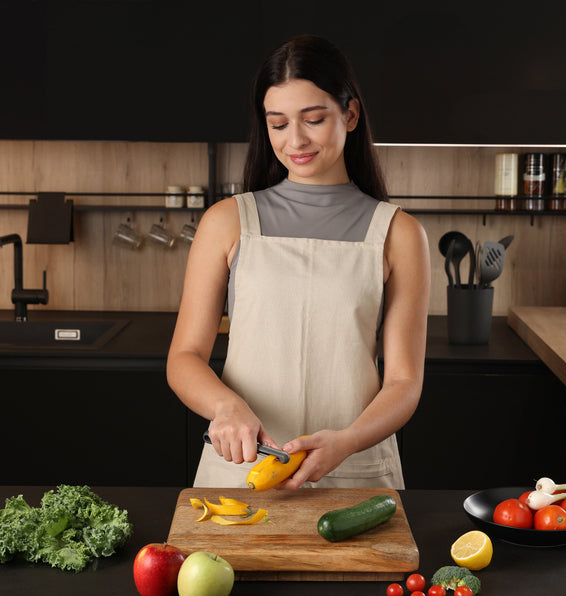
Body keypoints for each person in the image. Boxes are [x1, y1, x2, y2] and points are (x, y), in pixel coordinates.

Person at [166, 34, 430, 489]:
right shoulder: (227, 222)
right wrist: (226, 408)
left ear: (349, 114)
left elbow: (404, 381)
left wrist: (347, 442)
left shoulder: (399, 233)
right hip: (242, 470)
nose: (296, 140)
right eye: (278, 123)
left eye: (313, 119)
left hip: (357, 473)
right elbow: (185, 357)